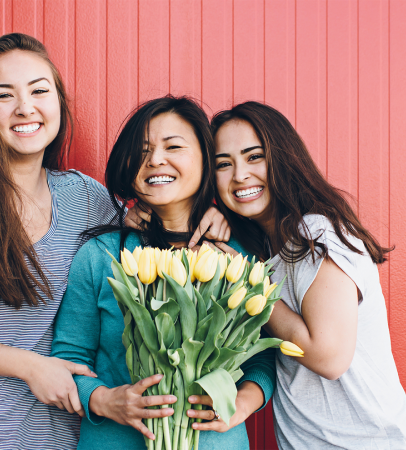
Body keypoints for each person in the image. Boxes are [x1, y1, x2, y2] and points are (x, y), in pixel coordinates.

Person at [0, 33, 230, 450]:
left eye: (39, 90)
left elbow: (159, 218)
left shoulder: (87, 198)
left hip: (47, 435)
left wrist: (215, 212)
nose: (25, 108)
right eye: (3, 95)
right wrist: (30, 366)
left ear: (58, 104)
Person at [51, 96, 276, 450]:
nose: (155, 160)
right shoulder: (102, 255)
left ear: (205, 158)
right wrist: (106, 400)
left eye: (173, 146)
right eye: (142, 151)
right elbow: (68, 359)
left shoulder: (239, 256)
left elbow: (260, 357)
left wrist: (240, 406)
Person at [210, 101, 406, 449]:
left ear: (283, 158)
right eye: (223, 164)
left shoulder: (316, 234)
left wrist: (247, 283)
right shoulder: (269, 251)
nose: (239, 175)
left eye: (254, 157)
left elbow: (328, 357)